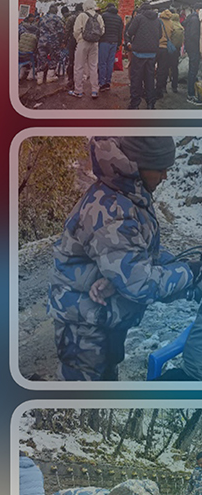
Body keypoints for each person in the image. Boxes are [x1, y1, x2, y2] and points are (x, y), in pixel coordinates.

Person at [49, 137, 194, 381]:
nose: (165, 176)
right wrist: (189, 273)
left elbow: (138, 253)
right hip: (83, 328)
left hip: (104, 318)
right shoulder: (111, 210)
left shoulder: (130, 196)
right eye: (160, 169)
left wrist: (179, 263)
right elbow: (139, 283)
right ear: (137, 166)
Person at [126, 3, 162, 109]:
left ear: (141, 9)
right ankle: (150, 104)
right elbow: (160, 35)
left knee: (136, 79)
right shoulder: (157, 20)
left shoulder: (139, 18)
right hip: (152, 53)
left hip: (139, 53)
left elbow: (130, 31)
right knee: (150, 79)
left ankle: (135, 104)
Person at [69, 0, 105, 99]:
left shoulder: (82, 15)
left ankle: (78, 91)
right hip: (95, 43)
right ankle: (95, 90)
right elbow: (102, 30)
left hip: (83, 43)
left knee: (79, 67)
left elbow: (76, 30)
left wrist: (79, 39)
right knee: (93, 67)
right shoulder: (99, 16)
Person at [99, 3, 124, 93]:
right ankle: (108, 82)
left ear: (107, 8)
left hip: (104, 42)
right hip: (114, 43)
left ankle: (102, 83)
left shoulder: (103, 16)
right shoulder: (119, 18)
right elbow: (120, 33)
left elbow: (100, 29)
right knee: (110, 63)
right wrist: (118, 44)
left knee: (102, 63)